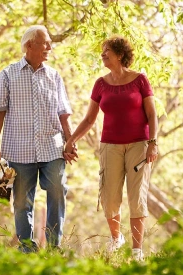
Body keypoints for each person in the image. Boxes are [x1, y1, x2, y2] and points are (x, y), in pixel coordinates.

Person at [64, 36, 158, 261]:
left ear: (120, 54)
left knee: (137, 198)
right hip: (110, 147)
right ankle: (117, 239)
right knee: (109, 197)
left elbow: (152, 114)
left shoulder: (140, 80)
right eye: (102, 51)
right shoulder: (100, 84)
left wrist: (153, 143)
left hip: (139, 145)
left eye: (107, 51)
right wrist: (71, 140)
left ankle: (137, 252)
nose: (102, 54)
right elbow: (89, 119)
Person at [0, 25, 75, 253]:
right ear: (29, 45)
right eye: (44, 42)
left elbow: (64, 113)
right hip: (19, 149)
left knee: (58, 188)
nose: (49, 47)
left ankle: (54, 246)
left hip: (52, 146)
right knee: (21, 201)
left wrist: (70, 140)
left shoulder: (54, 76)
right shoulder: (7, 74)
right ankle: (27, 247)